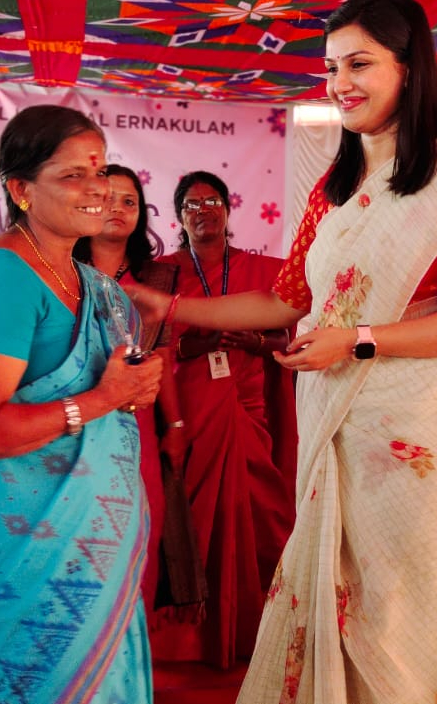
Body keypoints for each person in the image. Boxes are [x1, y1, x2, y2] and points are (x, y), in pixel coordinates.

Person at [127, 0, 437, 704]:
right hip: (339, 434)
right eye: (330, 68)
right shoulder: (336, 191)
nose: (340, 84)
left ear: (410, 69)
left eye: (359, 64)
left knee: (397, 614)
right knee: (335, 601)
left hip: (417, 439)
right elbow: (286, 298)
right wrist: (170, 305)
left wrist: (358, 341)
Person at [0, 105, 163, 704]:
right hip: (27, 540)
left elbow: (116, 397)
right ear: (20, 189)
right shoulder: (6, 278)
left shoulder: (90, 282)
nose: (98, 189)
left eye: (101, 170)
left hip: (91, 541)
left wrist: (133, 389)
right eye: (71, 176)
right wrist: (103, 398)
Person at [147, 169, 297, 668]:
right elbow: (150, 346)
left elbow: (289, 339)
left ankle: (262, 631)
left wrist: (255, 341)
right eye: (192, 204)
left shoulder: (267, 271)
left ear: (228, 211)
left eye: (212, 202)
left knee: (265, 515)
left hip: (248, 408)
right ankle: (190, 640)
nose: (203, 211)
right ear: (178, 216)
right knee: (189, 516)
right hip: (187, 412)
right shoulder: (160, 276)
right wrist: (195, 343)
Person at [74, 163, 187, 614]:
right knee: (85, 534)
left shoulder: (157, 281)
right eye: (106, 197)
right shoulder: (60, 272)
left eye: (130, 201)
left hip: (137, 422)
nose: (117, 208)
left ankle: (132, 648)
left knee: (142, 525)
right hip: (78, 419)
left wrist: (175, 423)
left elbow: (167, 356)